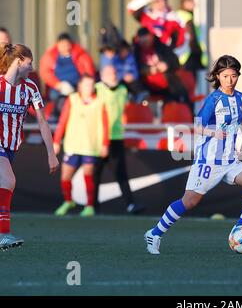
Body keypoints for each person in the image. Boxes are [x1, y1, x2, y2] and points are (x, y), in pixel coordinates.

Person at [144, 55, 242, 255]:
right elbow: (197, 126)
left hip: (231, 160)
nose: (230, 80)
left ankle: (239, 229)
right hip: (208, 161)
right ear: (218, 77)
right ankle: (155, 233)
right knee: (190, 201)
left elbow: (241, 116)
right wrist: (213, 133)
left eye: (233, 75)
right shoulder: (213, 100)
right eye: (225, 76)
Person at [0, 43, 59, 251]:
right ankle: (3, 235)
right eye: (30, 62)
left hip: (11, 147)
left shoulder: (30, 88)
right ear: (19, 61)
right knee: (8, 180)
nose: (32, 68)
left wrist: (51, 154)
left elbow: (43, 122)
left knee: (4, 184)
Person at [53, 75, 109, 217]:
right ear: (80, 86)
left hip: (90, 146)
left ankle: (89, 206)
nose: (89, 88)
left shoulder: (100, 102)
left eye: (91, 85)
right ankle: (68, 201)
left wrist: (105, 144)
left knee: (88, 175)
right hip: (72, 144)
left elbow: (105, 125)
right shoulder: (72, 99)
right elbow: (62, 121)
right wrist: (56, 141)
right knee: (65, 176)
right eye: (86, 85)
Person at [94, 65, 144, 214]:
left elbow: (140, 94)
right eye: (109, 73)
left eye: (115, 72)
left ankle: (131, 204)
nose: (113, 75)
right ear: (102, 76)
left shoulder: (123, 89)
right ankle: (92, 205)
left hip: (117, 137)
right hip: (99, 137)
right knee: (95, 173)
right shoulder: (96, 89)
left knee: (121, 173)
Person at [39, 33, 96, 119]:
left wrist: (81, 86)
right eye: (62, 44)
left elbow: (89, 72)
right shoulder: (50, 55)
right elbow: (45, 73)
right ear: (57, 44)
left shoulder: (80, 54)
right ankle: (56, 117)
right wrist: (58, 85)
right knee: (55, 96)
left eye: (66, 44)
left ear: (70, 44)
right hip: (59, 87)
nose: (64, 46)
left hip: (77, 86)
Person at [175, 0, 208, 80]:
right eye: (192, 1)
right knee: (190, 85)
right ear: (185, 2)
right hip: (189, 57)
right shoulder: (187, 17)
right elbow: (191, 38)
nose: (194, 4)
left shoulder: (176, 15)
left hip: (180, 57)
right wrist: (198, 53)